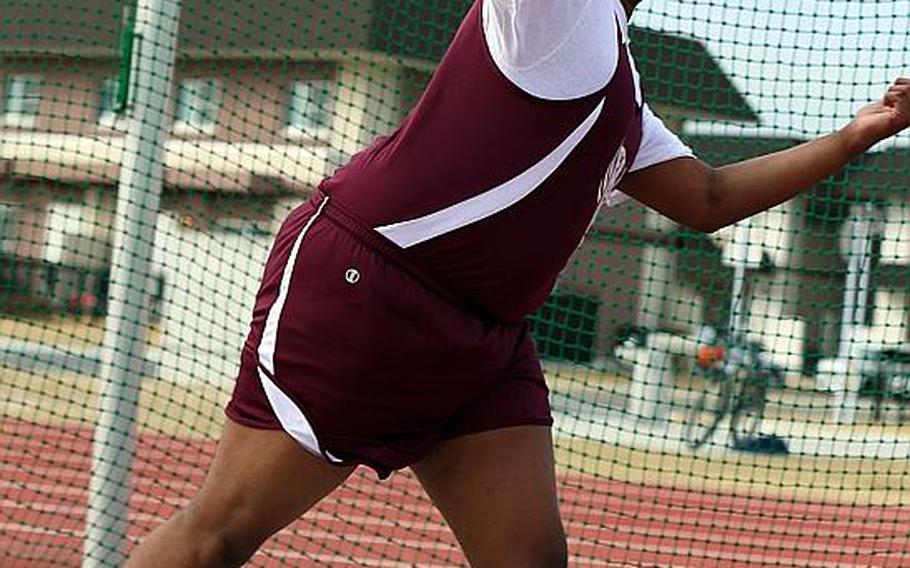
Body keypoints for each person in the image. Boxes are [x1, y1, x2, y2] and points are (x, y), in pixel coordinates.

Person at [127, 0, 910, 566]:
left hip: (485, 342)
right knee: (220, 534)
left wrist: (855, 135)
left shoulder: (622, 92)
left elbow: (705, 200)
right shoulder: (550, 15)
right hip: (373, 289)